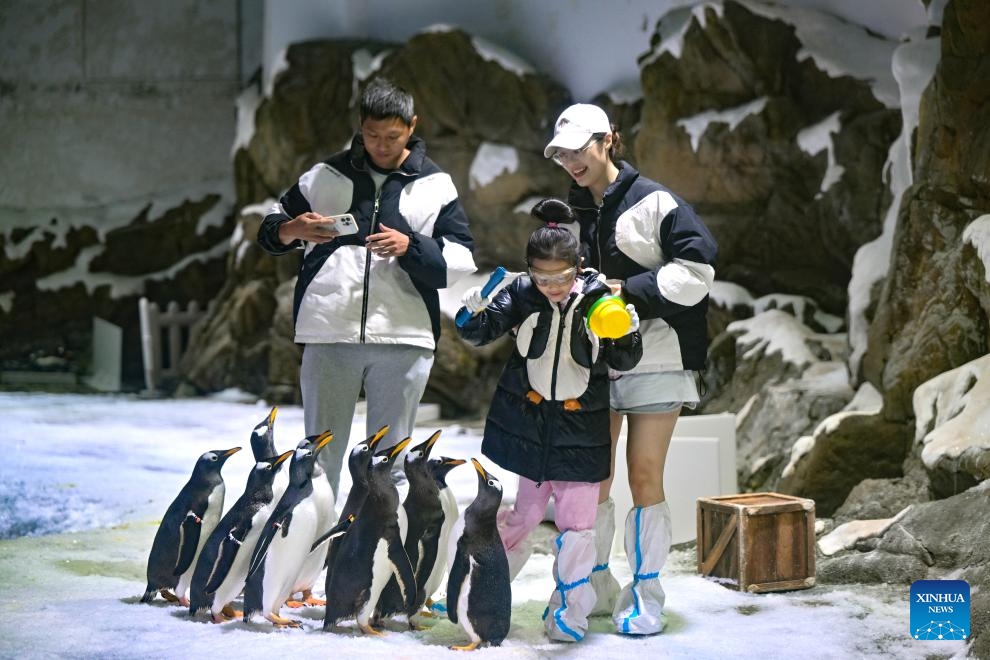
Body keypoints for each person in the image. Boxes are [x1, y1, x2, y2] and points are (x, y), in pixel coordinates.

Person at [543, 103, 718, 635]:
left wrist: (628, 292)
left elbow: (699, 269)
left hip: (658, 359)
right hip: (591, 364)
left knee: (644, 476)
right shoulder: (565, 216)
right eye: (563, 153)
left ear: (608, 140)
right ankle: (589, 586)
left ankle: (646, 596)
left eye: (581, 148)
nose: (573, 160)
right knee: (589, 480)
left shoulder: (655, 201)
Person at [257, 77, 477, 497]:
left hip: (404, 337)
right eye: (373, 134)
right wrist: (294, 229)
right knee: (317, 462)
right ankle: (310, 559)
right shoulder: (325, 176)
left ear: (412, 126)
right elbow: (269, 229)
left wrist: (409, 246)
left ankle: (376, 561)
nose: (381, 144)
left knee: (389, 465)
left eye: (392, 136)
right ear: (360, 125)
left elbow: (460, 259)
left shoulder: (434, 184)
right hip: (329, 332)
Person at [456, 198, 643, 643]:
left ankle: (569, 613)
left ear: (578, 266)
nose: (552, 286)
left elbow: (625, 358)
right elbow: (477, 332)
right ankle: (478, 593)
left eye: (561, 277)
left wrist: (627, 330)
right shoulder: (522, 294)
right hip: (531, 430)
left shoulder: (599, 300)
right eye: (541, 277)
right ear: (529, 271)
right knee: (520, 519)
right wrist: (474, 308)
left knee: (578, 528)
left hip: (582, 433)